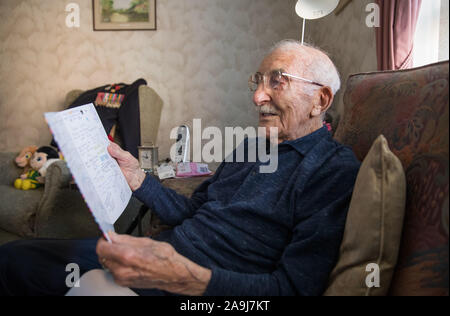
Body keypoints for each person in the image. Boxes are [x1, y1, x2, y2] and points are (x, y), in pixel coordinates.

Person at [0, 40, 360, 296]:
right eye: (258, 81)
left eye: (277, 82)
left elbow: (292, 289)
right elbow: (194, 211)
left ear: (321, 99)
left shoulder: (332, 170)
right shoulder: (251, 146)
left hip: (199, 287)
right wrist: (138, 178)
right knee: (13, 259)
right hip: (160, 254)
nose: (257, 96)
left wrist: (188, 279)